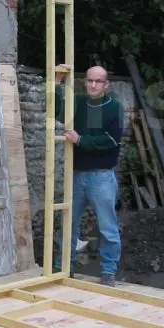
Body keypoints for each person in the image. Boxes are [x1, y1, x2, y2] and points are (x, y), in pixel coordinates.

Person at [53, 64, 124, 287]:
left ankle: (108, 272)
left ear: (106, 84)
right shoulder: (79, 102)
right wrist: (57, 83)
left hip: (102, 177)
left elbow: (111, 140)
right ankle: (65, 268)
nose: (93, 85)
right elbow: (57, 112)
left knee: (108, 228)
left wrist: (81, 140)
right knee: (68, 224)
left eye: (98, 81)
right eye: (90, 80)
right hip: (77, 174)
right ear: (85, 82)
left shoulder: (114, 108)